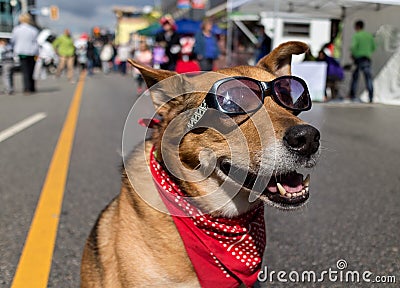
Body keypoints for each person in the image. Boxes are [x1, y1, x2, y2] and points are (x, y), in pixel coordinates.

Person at [11, 13, 39, 94]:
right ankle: (32, 87)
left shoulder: (17, 29)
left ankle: (27, 88)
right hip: (32, 52)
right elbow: (36, 41)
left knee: (25, 71)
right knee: (31, 70)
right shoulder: (34, 30)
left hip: (22, 52)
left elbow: (13, 40)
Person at [349, 20, 376, 103]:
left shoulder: (357, 36)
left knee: (355, 78)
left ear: (357, 26)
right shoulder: (369, 36)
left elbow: (353, 47)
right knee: (368, 78)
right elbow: (373, 47)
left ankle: (352, 95)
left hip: (358, 58)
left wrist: (353, 54)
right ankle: (371, 97)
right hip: (367, 58)